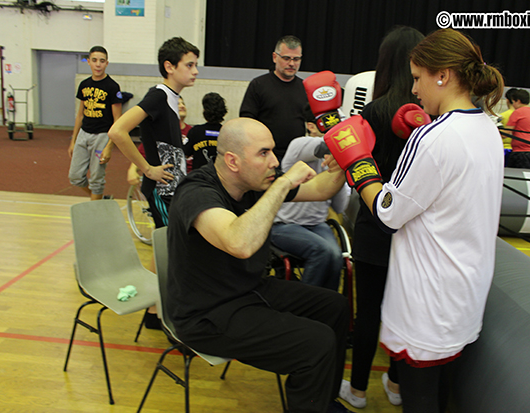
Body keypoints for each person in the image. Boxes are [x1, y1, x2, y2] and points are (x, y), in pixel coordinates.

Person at [326, 28, 504, 412]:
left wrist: (358, 166)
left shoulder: (434, 137)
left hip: (430, 297)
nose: (414, 89)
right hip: (465, 289)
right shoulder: (488, 129)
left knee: (419, 397)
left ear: (442, 75)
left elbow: (389, 213)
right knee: (438, 392)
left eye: (419, 77)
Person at [166, 117, 354, 413]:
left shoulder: (251, 182)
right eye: (264, 153)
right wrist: (281, 185)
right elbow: (239, 243)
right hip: (206, 315)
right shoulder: (197, 192)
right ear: (233, 161)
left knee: (335, 307)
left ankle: (322, 399)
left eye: (273, 152)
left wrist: (348, 157)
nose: (274, 161)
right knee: (317, 343)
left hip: (249, 290)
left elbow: (320, 189)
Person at [338, 26, 424, 410]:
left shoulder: (374, 111)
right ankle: (396, 384)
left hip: (375, 226)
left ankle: (357, 390)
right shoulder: (431, 118)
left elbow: (358, 173)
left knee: (369, 312)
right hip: (413, 229)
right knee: (404, 310)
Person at [108, 37, 199, 328]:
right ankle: (155, 313)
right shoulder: (158, 95)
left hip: (173, 188)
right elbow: (118, 131)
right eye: (190, 65)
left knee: (168, 249)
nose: (196, 71)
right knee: (169, 249)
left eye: (196, 64)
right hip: (162, 189)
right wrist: (146, 168)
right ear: (169, 66)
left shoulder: (171, 99)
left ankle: (156, 310)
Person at [271, 104, 351, 291]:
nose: (335, 129)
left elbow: (339, 207)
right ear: (311, 126)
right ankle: (306, 306)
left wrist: (340, 174)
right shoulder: (299, 145)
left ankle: (326, 305)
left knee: (335, 255)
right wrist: (349, 144)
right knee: (323, 251)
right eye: (329, 123)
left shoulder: (337, 159)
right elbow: (323, 146)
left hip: (316, 225)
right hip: (284, 225)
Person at [239, 35, 309, 161]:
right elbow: (247, 121)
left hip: (296, 157)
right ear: (274, 57)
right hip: (264, 156)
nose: (292, 63)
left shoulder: (305, 87)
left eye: (296, 59)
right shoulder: (259, 85)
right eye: (286, 58)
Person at [68, 45, 123, 200]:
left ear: (107, 63)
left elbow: (117, 120)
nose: (98, 64)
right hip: (84, 134)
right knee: (75, 177)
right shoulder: (84, 85)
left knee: (96, 180)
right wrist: (73, 141)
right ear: (89, 62)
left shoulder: (112, 87)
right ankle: (100, 198)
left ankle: (96, 212)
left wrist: (109, 147)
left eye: (102, 61)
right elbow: (80, 115)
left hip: (102, 136)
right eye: (94, 60)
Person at [127, 96, 192, 185]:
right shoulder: (160, 131)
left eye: (183, 103)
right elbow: (143, 153)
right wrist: (132, 170)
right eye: (177, 104)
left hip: (190, 178)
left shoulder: (192, 132)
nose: (182, 106)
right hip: (169, 178)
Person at [184, 92, 227, 170]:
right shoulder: (227, 133)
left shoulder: (195, 132)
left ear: (204, 110)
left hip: (199, 179)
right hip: (219, 179)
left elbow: (184, 154)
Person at [505, 88, 530, 169]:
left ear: (518, 101)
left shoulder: (517, 112)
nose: (513, 105)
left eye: (513, 102)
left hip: (521, 152)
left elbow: (506, 133)